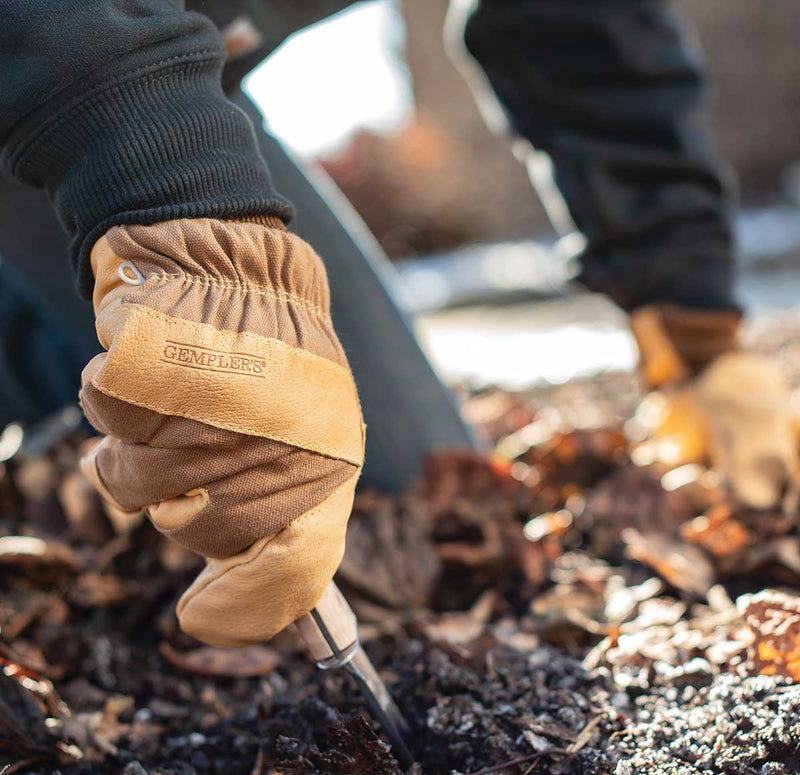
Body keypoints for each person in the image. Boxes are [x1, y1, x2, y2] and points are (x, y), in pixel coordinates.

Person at [0, 1, 795, 649]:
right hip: (53, 80)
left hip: (155, 72)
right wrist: (183, 231)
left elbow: (582, 28)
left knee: (377, 497)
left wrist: (689, 320)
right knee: (275, 472)